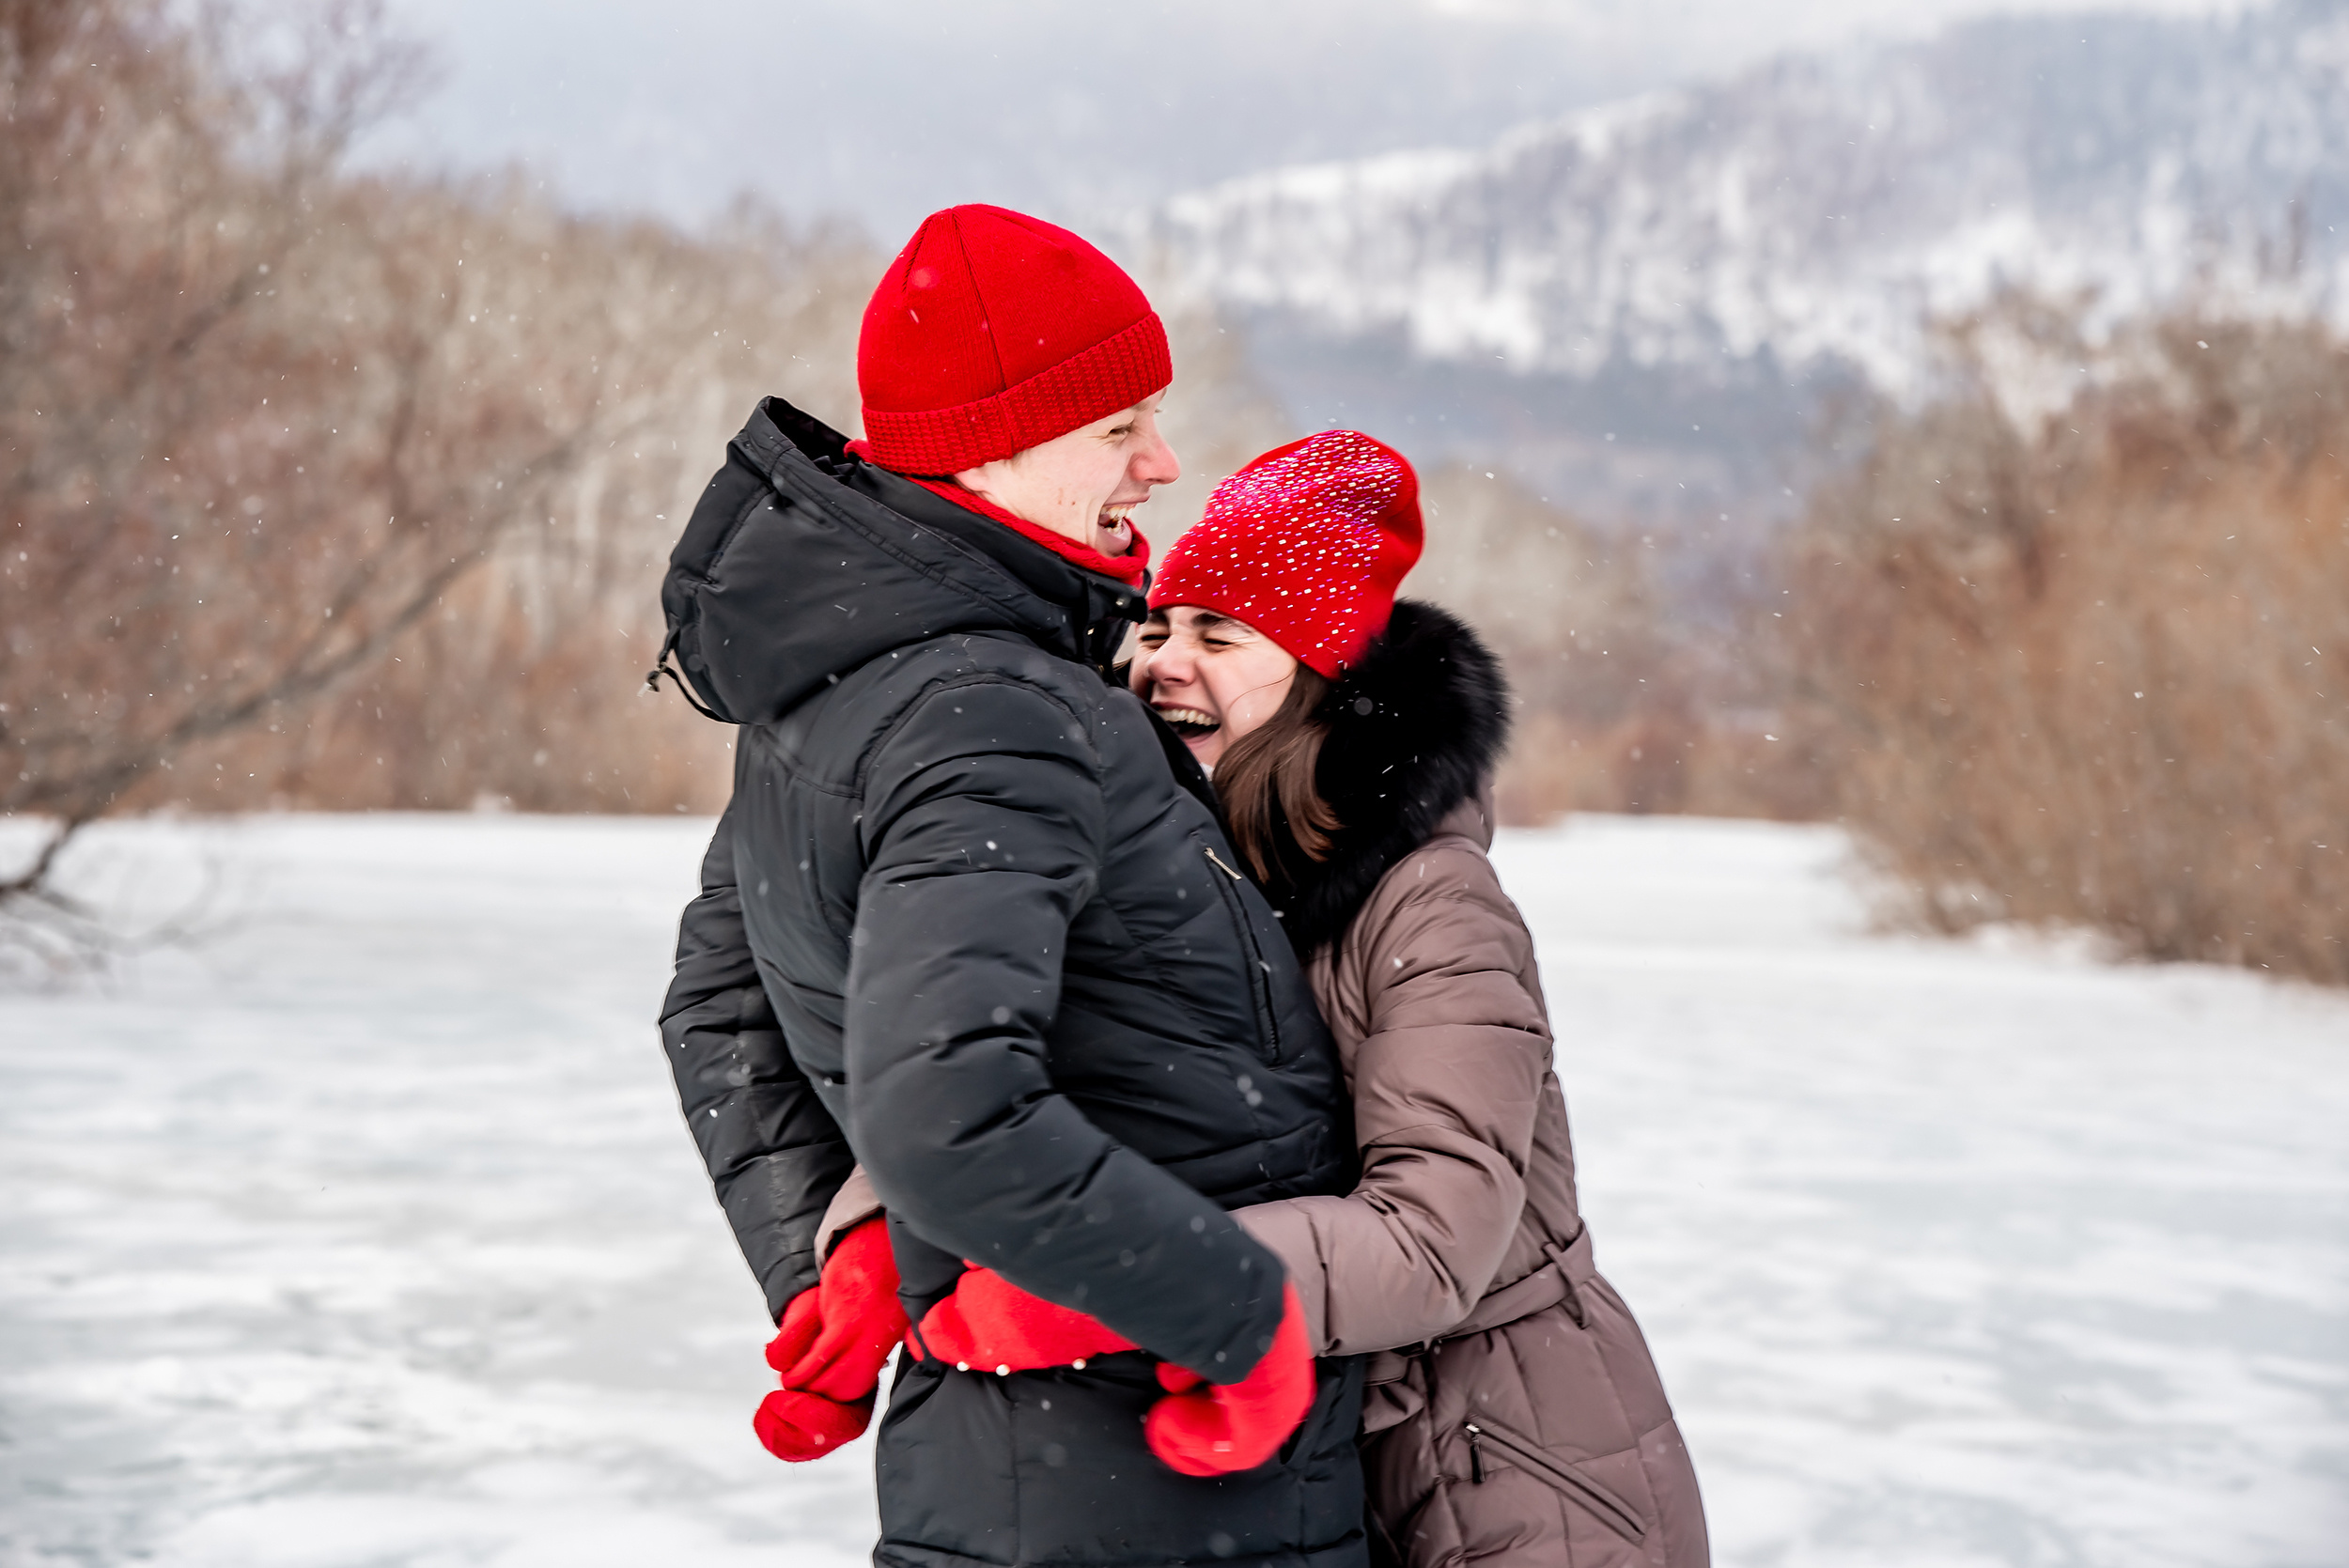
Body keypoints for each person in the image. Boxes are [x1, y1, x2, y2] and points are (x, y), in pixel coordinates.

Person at [653, 208, 1366, 1568]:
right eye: (1117, 429)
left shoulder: (847, 683)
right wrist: (1235, 1310)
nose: (1162, 465)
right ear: (991, 448)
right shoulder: (992, 706)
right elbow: (944, 1106)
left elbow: (717, 1012)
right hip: (1150, 1472)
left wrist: (837, 1249)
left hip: (1013, 1468)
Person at [916, 430, 1710, 1567]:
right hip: (1312, 1448)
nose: (1160, 664)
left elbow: (1434, 1239)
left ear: (1324, 682)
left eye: (1218, 634)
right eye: (1155, 627)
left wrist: (1135, 1282)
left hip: (1506, 1463)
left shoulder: (1430, 904)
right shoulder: (1177, 879)